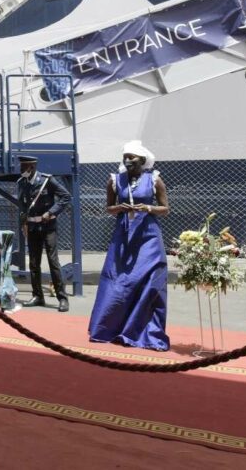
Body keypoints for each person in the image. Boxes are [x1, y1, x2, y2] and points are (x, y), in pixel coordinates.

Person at [89, 140, 171, 351]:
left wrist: (148, 208)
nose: (127, 161)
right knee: (119, 279)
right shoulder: (115, 180)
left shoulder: (154, 179)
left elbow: (165, 209)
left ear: (142, 160)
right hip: (124, 235)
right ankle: (110, 327)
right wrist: (119, 207)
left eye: (132, 158)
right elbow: (109, 208)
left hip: (148, 236)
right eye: (125, 157)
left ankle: (146, 331)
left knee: (151, 280)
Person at [17, 155, 71, 312]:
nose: (20, 170)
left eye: (23, 168)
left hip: (48, 226)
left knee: (53, 262)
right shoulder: (22, 183)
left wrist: (51, 212)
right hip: (32, 226)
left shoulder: (47, 180)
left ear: (31, 168)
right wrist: (23, 224)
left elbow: (66, 197)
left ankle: (62, 298)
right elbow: (22, 206)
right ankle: (37, 295)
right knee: (34, 263)